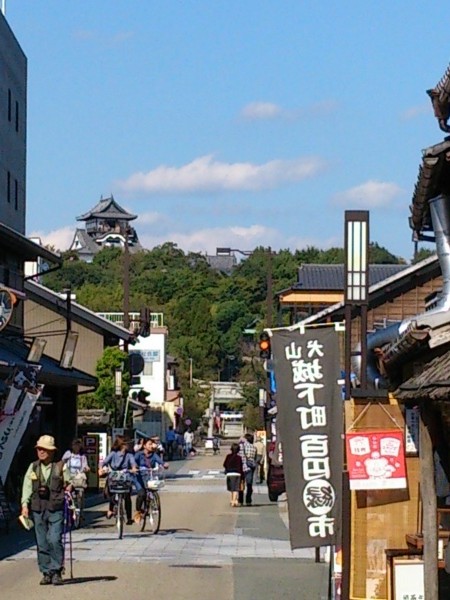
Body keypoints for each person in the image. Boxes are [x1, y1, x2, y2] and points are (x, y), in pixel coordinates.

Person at [21, 435, 71, 586]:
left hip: (55, 508)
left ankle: (56, 570)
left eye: (44, 449)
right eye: (39, 449)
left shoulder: (61, 466)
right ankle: (46, 571)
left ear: (51, 451)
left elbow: (69, 483)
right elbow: (27, 486)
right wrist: (24, 505)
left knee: (54, 539)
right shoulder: (33, 467)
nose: (41, 452)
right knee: (42, 542)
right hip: (38, 508)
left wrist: (69, 488)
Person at [99, 436, 137, 524]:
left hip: (125, 476)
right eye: (127, 444)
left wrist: (134, 468)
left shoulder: (129, 454)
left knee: (127, 495)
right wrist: (101, 468)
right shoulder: (113, 453)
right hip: (114, 475)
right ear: (122, 445)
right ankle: (111, 509)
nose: (128, 445)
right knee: (112, 491)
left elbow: (133, 463)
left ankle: (129, 517)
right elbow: (103, 462)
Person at [133, 437, 168, 522]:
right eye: (149, 444)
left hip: (149, 476)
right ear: (144, 445)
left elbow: (160, 461)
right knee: (142, 493)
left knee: (152, 489)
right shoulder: (139, 454)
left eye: (152, 444)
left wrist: (164, 464)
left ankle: (151, 504)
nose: (152, 446)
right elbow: (133, 462)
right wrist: (134, 467)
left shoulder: (154, 455)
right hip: (139, 477)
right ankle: (138, 511)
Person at [238, 433, 257, 506]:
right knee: (249, 484)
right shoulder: (254, 447)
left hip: (242, 467)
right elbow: (254, 458)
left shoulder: (241, 446)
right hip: (250, 467)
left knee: (241, 484)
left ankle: (241, 500)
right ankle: (248, 500)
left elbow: (239, 455)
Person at [223, 443, 244, 507]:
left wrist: (228, 468)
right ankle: (234, 501)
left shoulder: (228, 456)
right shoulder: (239, 458)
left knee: (232, 488)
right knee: (236, 488)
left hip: (229, 474)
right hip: (237, 474)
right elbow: (240, 467)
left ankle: (232, 500)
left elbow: (224, 464)